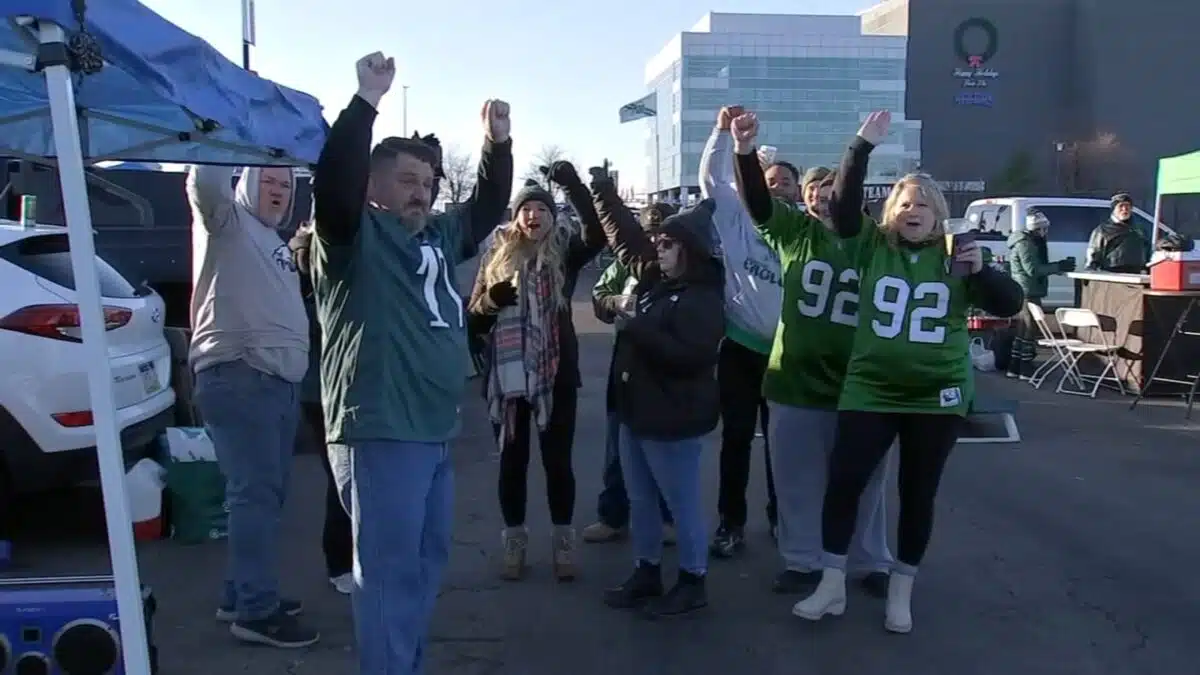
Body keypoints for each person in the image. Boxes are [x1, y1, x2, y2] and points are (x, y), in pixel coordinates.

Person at [748, 110, 1023, 633]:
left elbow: (1010, 304)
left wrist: (983, 270)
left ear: (939, 213)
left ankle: (901, 588)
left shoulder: (957, 252)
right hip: (871, 387)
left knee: (917, 492)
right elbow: (846, 206)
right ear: (888, 213)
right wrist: (861, 146)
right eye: (903, 202)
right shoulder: (872, 247)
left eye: (923, 203)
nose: (912, 210)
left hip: (936, 393)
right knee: (844, 483)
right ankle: (831, 584)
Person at [310, 53, 513, 674]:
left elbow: (482, 211)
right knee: (387, 570)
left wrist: (497, 144)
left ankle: (405, 663)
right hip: (381, 426)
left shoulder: (435, 235)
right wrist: (366, 101)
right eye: (406, 180)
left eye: (427, 180)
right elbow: (334, 185)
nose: (421, 190)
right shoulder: (349, 236)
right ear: (373, 188)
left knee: (424, 565)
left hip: (433, 429)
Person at [725, 107, 894, 598]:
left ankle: (868, 561)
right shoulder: (793, 233)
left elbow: (847, 209)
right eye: (813, 192)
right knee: (797, 479)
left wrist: (860, 146)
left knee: (864, 482)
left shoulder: (867, 240)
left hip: (859, 380)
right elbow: (756, 201)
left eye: (830, 191)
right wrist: (743, 152)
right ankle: (802, 559)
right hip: (796, 377)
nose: (822, 199)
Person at [186, 161, 315, 647]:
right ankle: (256, 612)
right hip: (242, 375)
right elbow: (206, 184)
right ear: (247, 185)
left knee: (265, 494)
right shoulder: (227, 223)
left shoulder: (272, 242)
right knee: (255, 495)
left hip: (275, 383)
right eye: (270, 183)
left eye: (286, 185)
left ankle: (239, 594)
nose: (279, 192)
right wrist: (217, 133)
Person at [590, 170, 725, 619]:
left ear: (687, 249)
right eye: (659, 243)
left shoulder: (703, 297)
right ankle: (646, 572)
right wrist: (602, 192)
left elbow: (690, 356)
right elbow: (626, 238)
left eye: (667, 244)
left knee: (683, 504)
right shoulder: (656, 281)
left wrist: (638, 326)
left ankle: (693, 580)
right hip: (636, 413)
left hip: (673, 420)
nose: (658, 249)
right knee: (641, 500)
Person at [466, 162, 604, 582]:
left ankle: (563, 541)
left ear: (551, 216)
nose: (534, 216)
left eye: (541, 209)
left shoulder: (564, 254)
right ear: (516, 216)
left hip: (555, 376)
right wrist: (491, 300)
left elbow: (596, 234)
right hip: (508, 382)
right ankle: (515, 539)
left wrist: (574, 186)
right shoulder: (495, 258)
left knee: (558, 463)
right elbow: (473, 319)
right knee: (512, 462)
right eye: (526, 209)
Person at [701, 106, 782, 557]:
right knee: (735, 439)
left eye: (786, 182)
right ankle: (731, 523)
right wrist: (720, 135)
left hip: (787, 354)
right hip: (741, 346)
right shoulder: (735, 217)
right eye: (769, 180)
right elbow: (712, 180)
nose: (777, 187)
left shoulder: (800, 229)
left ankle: (781, 516)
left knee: (782, 444)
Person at [582, 204, 677, 546]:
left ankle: (668, 517)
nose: (654, 241)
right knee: (617, 441)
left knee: (667, 445)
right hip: (627, 358)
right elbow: (599, 295)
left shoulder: (684, 263)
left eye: (662, 235)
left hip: (669, 364)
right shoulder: (626, 261)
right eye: (648, 233)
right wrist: (616, 303)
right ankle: (613, 515)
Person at [288, 223, 354, 594]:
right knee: (340, 477)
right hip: (321, 389)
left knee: (351, 478)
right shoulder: (303, 263)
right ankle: (340, 563)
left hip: (344, 386)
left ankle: (351, 560)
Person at [1005, 210, 1076, 380]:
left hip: (1025, 289)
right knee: (1029, 329)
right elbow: (1033, 270)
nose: (1046, 232)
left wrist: (1056, 267)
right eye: (1044, 229)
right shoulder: (1026, 243)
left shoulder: (1025, 242)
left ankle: (1015, 367)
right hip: (1028, 290)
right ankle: (1025, 368)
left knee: (1023, 329)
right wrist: (1058, 266)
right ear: (1038, 229)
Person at [1085, 193, 1150, 273]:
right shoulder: (1103, 230)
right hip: (1113, 275)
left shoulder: (1139, 229)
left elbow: (1148, 251)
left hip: (1136, 274)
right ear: (1114, 209)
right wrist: (1091, 269)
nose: (1124, 209)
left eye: (1127, 206)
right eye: (1121, 206)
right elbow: (1094, 253)